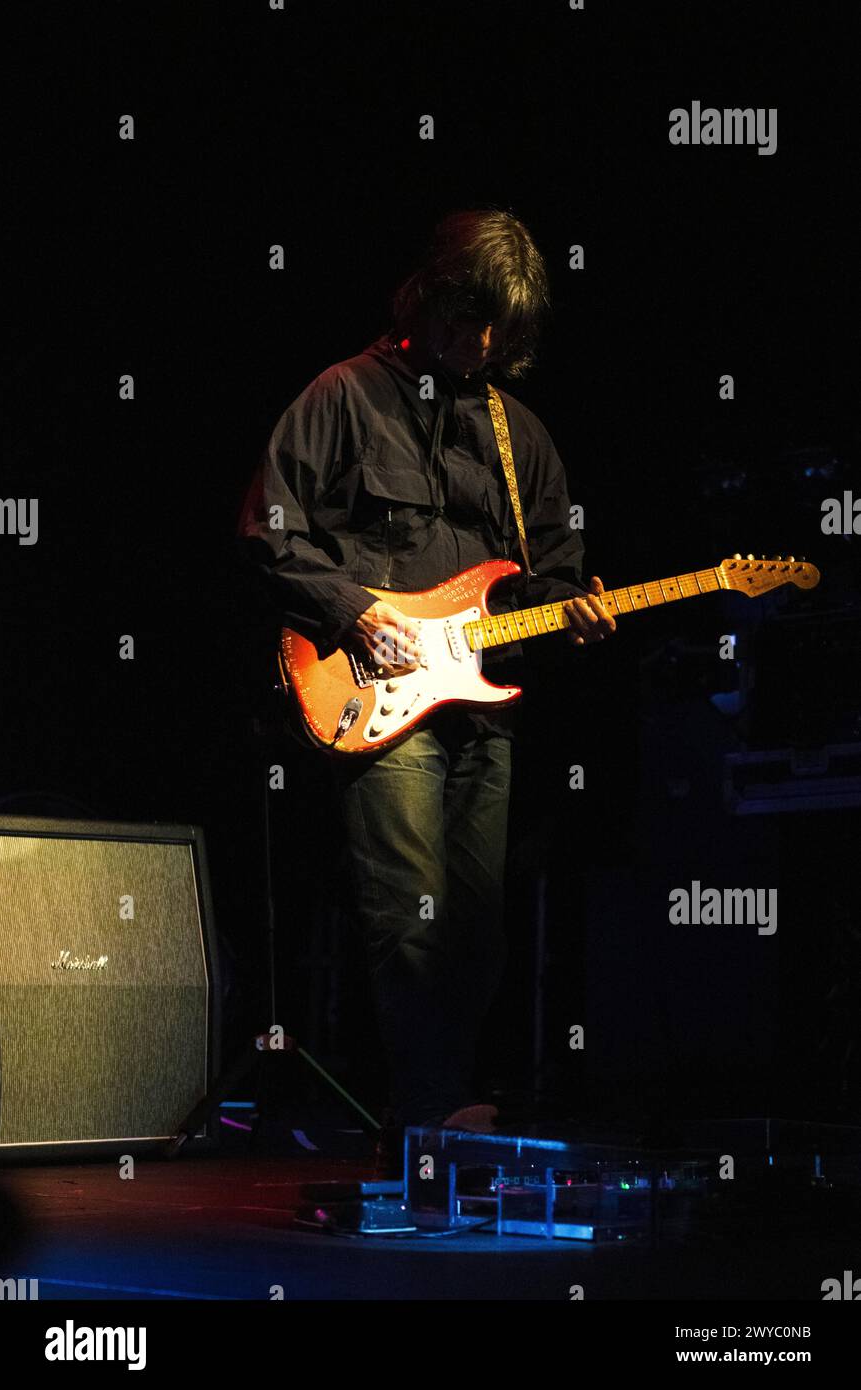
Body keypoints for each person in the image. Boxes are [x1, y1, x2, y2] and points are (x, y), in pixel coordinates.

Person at [238, 209, 615, 1146]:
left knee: (479, 923)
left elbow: (553, 565)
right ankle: (435, 1112)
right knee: (411, 908)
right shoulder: (344, 397)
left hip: (481, 705)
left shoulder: (516, 431)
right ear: (433, 295)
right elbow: (267, 528)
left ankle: (443, 1106)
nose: (485, 343)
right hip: (376, 690)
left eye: (504, 329)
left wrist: (575, 611)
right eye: (472, 317)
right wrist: (355, 612)